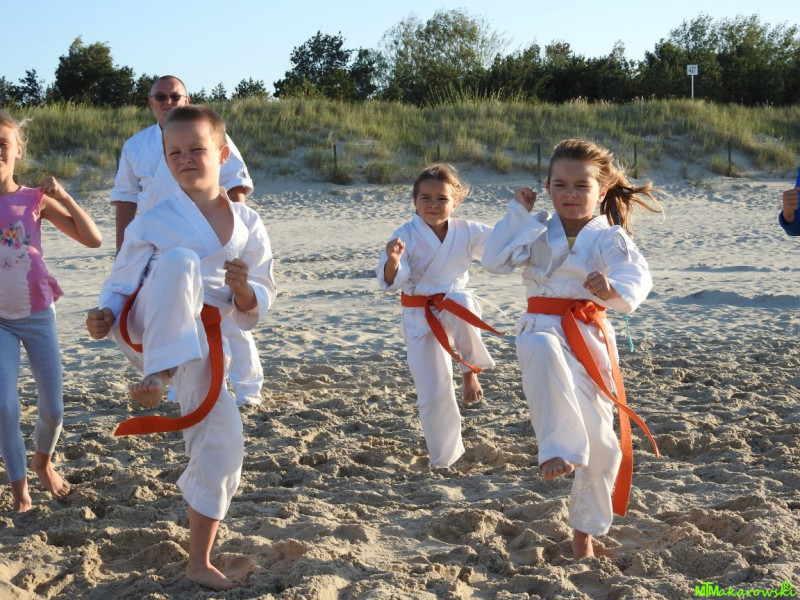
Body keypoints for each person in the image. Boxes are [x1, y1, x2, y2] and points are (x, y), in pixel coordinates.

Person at [86, 105, 276, 590]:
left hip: (202, 341)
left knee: (224, 444)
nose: (185, 159)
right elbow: (120, 283)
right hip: (149, 330)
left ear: (223, 154)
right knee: (180, 262)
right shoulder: (152, 220)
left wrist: (243, 290)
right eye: (175, 153)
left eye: (196, 149)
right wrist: (104, 314)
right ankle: (158, 374)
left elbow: (260, 299)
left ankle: (199, 561)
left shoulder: (248, 223)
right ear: (165, 160)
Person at [482, 139, 661, 560]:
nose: (570, 193)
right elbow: (494, 260)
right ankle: (557, 448)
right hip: (540, 327)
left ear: (601, 190)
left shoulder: (609, 236)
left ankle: (585, 534)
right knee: (542, 347)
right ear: (547, 187)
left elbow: (636, 274)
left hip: (587, 335)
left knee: (604, 445)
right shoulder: (536, 227)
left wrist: (612, 288)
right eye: (560, 184)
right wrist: (517, 214)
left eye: (582, 185)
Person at [111, 75, 262, 407]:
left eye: (175, 97)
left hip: (215, 234)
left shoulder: (210, 134)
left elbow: (236, 182)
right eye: (160, 97)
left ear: (186, 99)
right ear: (150, 102)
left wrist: (238, 230)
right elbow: (125, 199)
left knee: (229, 319)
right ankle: (176, 381)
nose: (168, 102)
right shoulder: (136, 146)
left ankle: (248, 388)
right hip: (161, 240)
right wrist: (124, 252)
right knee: (173, 316)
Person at [0, 111, 102, 512]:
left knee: (54, 410)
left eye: (2, 144)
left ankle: (42, 464)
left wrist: (64, 197)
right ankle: (20, 491)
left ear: (18, 151)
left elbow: (92, 240)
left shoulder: (33, 200)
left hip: (38, 314)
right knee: (5, 407)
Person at [377, 164, 500, 469]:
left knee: (461, 301)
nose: (433, 205)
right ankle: (444, 458)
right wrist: (392, 260)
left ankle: (470, 370)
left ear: (455, 202)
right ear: (415, 201)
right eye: (426, 198)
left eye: (442, 199)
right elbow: (391, 282)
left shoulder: (466, 230)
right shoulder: (405, 234)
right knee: (433, 393)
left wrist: (522, 215)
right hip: (420, 314)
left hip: (455, 307)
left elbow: (501, 245)